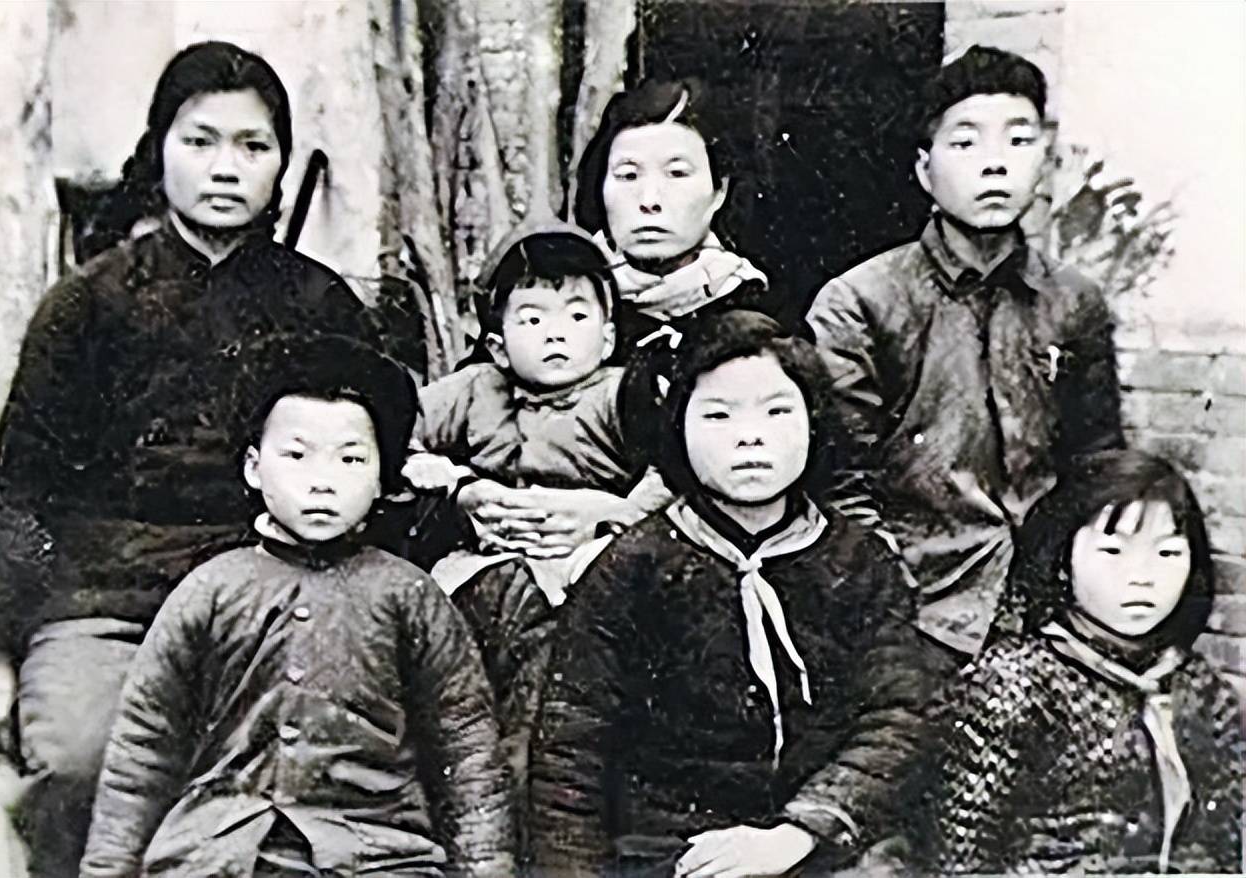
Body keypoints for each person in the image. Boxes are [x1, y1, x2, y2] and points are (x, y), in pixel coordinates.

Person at [0, 41, 389, 875]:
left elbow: (367, 477)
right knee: (82, 761)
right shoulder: (86, 304)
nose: (225, 168)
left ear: (280, 163)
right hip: (107, 604)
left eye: (253, 145)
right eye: (200, 141)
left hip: (276, 596)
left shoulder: (322, 305)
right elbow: (24, 491)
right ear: (158, 148)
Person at [79, 335, 512, 877]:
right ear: (254, 468)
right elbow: (144, 748)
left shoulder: (410, 597)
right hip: (222, 855)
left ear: (384, 478)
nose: (322, 481)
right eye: (296, 455)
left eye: (350, 459)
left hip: (376, 857)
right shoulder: (209, 591)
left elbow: (466, 751)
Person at [529, 311, 937, 877]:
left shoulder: (859, 561)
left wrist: (800, 832)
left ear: (814, 423)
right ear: (679, 428)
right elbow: (572, 751)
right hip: (674, 850)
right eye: (718, 415)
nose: (750, 436)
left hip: (823, 845)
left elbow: (898, 716)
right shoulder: (632, 568)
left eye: (778, 412)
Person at [804, 46, 1124, 657]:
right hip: (914, 611)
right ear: (925, 170)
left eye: (1019, 140)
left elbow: (1099, 464)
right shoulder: (861, 301)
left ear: (1045, 163)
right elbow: (840, 483)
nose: (995, 164)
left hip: (1053, 612)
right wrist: (890, 599)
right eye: (966, 142)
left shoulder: (1075, 302)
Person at [401, 224, 666, 852]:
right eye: (532, 318)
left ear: (608, 336)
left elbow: (674, 467)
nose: (556, 333)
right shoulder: (474, 390)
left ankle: (534, 825)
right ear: (496, 344)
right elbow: (390, 429)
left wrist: (617, 513)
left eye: (577, 315)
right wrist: (459, 486)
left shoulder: (623, 394)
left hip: (584, 568)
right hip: (481, 568)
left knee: (547, 699)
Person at [932, 450, 1242, 874]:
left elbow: (1227, 844)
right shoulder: (1014, 687)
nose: (1142, 576)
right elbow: (959, 857)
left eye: (1167, 554)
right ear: (1064, 558)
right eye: (1113, 551)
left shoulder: (1201, 691)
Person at [575, 78, 779, 466]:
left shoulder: (759, 311)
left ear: (719, 191)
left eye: (677, 174)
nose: (649, 201)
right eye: (628, 176)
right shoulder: (562, 298)